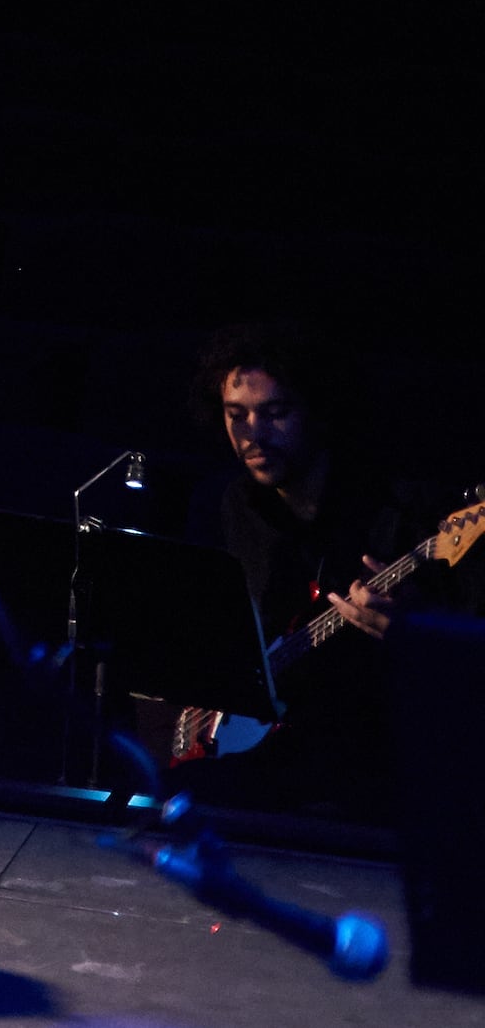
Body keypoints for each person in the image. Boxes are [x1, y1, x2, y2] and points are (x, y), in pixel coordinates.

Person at [172, 321, 447, 816]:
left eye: (275, 413)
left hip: (364, 755)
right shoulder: (231, 504)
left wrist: (415, 629)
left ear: (316, 411)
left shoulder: (400, 510)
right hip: (259, 754)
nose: (253, 434)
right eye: (237, 415)